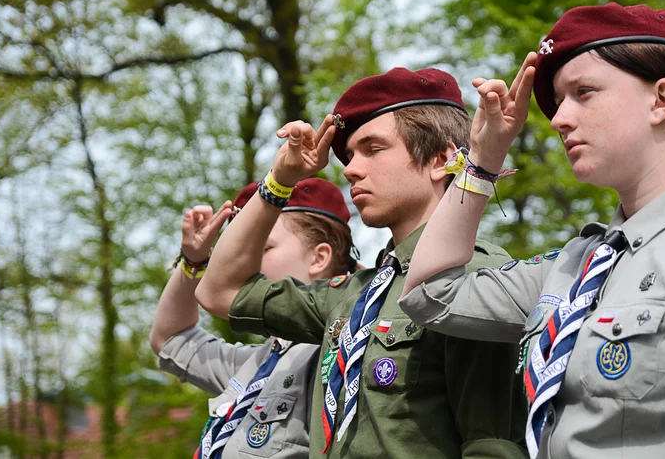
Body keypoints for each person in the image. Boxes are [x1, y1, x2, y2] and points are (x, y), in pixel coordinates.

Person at [399, 3, 665, 459]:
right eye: (559, 101)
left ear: (661, 100)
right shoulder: (576, 268)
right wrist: (482, 163)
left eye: (584, 92)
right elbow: (430, 294)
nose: (560, 118)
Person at [195, 67, 527, 458]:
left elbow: (491, 444)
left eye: (373, 149)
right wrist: (279, 181)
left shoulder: (476, 277)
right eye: (350, 155)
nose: (350, 169)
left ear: (441, 159)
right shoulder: (355, 296)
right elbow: (220, 290)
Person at [150, 177, 355, 459]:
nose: (246, 263)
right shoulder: (261, 362)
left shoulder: (346, 352)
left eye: (263, 249)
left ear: (318, 258)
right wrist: (194, 262)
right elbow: (171, 339)